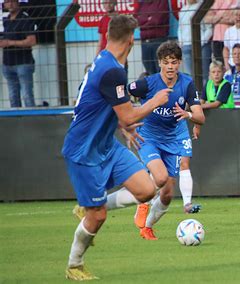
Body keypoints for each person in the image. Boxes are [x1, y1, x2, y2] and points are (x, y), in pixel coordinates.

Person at [62, 15, 170, 280]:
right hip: (83, 151)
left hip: (106, 145)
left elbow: (99, 105)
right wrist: (154, 101)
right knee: (97, 217)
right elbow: (128, 115)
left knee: (147, 189)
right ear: (131, 40)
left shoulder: (105, 61)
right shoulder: (112, 71)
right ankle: (74, 265)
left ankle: (84, 209)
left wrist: (124, 127)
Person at [128, 41, 205, 240]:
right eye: (166, 62)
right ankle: (143, 203)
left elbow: (200, 116)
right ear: (159, 63)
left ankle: (147, 227)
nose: (170, 66)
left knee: (168, 194)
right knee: (160, 177)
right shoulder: (148, 83)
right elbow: (122, 96)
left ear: (179, 63)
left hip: (173, 138)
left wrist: (187, 114)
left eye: (174, 62)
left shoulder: (186, 84)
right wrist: (127, 120)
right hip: (149, 137)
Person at [1, 0, 36, 108]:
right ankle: (15, 122)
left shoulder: (25, 19)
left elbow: (32, 41)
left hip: (23, 63)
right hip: (7, 63)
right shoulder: (5, 20)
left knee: (27, 96)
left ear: (18, 3)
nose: (10, 4)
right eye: (7, 2)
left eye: (12, 1)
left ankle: (32, 121)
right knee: (13, 96)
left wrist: (10, 43)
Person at [134, 0, 169, 74]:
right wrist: (149, 20)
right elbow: (137, 20)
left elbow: (157, 20)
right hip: (145, 42)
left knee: (161, 71)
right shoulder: (142, 3)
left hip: (158, 41)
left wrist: (143, 23)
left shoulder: (162, 2)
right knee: (149, 71)